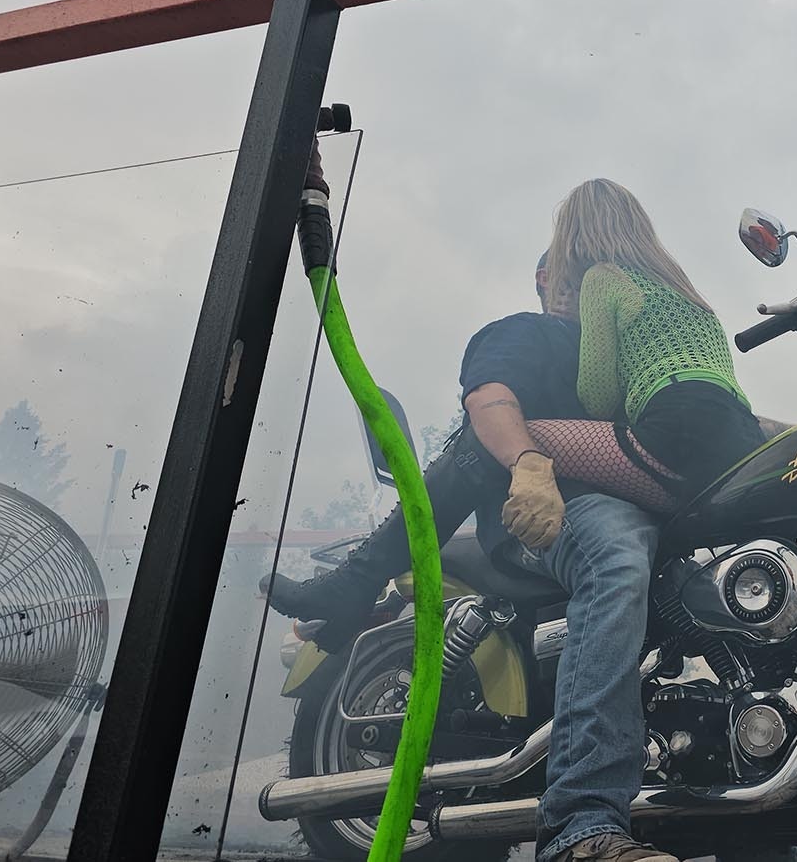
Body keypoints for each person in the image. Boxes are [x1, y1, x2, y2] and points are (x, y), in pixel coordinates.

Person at [266, 254, 678, 862]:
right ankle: (581, 825)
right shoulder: (529, 332)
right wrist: (529, 464)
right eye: (573, 263)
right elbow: (489, 401)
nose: (589, 276)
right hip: (548, 515)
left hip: (638, 510)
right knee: (613, 552)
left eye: (602, 265)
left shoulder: (626, 362)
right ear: (543, 278)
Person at [500, 178, 765, 550]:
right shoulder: (684, 291)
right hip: (742, 436)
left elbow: (597, 396)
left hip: (680, 430)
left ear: (573, 235)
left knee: (516, 434)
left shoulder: (603, 278)